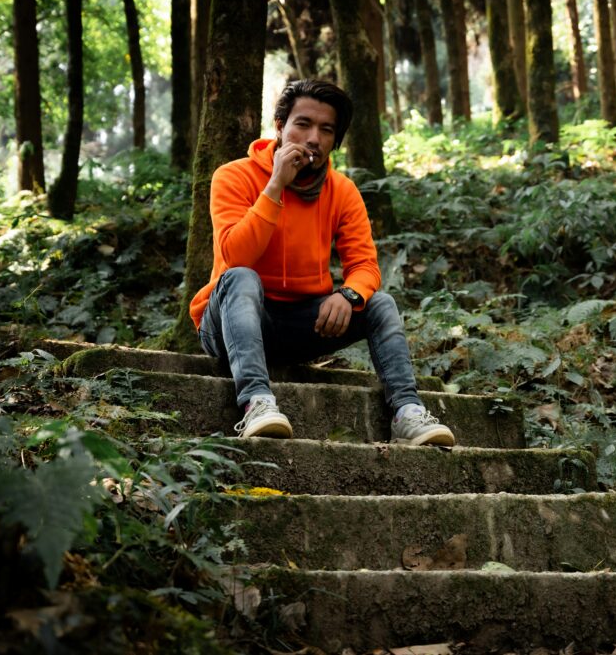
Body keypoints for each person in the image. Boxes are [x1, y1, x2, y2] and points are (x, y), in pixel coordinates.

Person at [188, 79, 455, 447]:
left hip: (300, 324)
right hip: (231, 321)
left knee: (379, 304)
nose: (313, 138)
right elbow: (235, 256)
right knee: (241, 277)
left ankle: (407, 412)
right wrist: (275, 186)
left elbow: (365, 266)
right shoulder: (233, 176)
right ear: (280, 127)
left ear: (334, 141)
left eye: (326, 130)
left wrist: (347, 295)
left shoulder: (342, 191)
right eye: (303, 124)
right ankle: (256, 402)